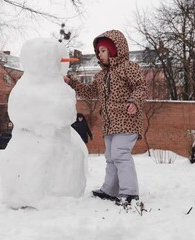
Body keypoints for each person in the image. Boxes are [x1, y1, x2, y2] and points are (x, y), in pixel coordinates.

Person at [64, 30, 147, 206]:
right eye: (98, 51)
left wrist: (134, 101)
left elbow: (141, 86)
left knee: (120, 154)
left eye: (103, 50)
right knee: (110, 156)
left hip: (127, 119)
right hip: (110, 124)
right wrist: (72, 82)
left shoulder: (128, 68)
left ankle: (129, 193)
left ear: (115, 50)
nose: (99, 54)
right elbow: (89, 91)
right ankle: (110, 190)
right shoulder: (101, 76)